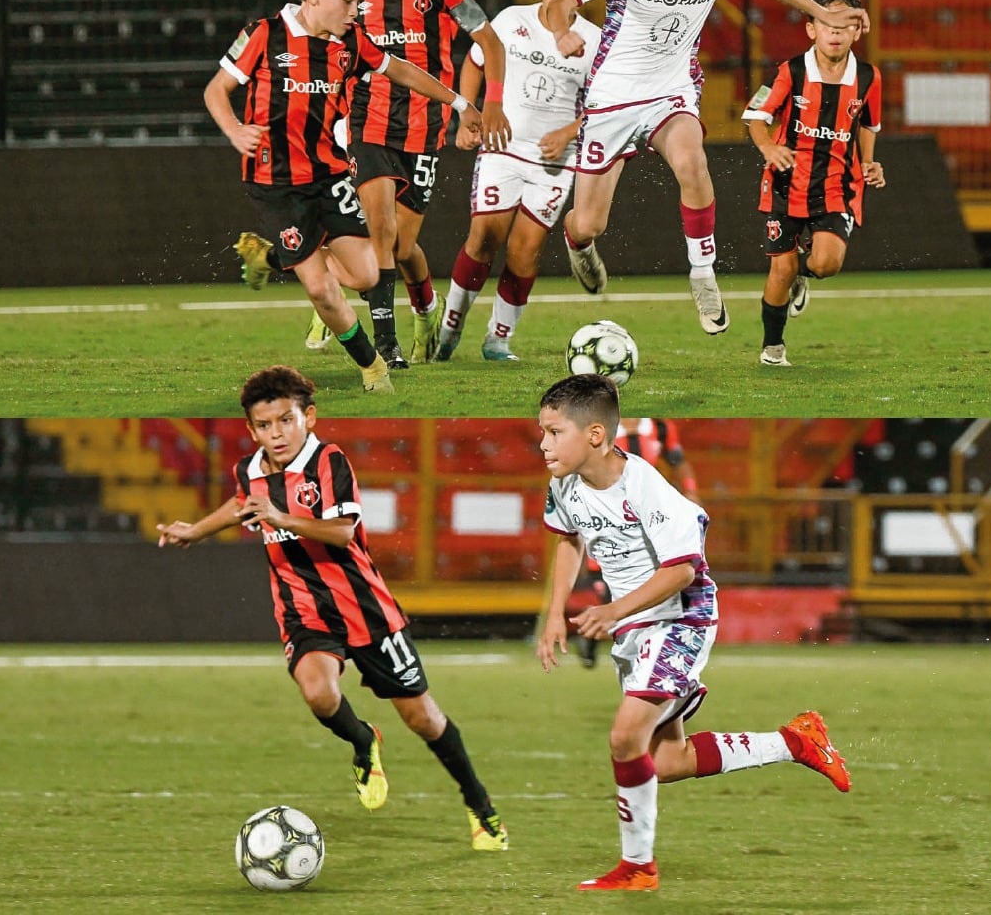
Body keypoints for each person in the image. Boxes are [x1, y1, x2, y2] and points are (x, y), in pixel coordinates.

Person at [156, 365, 508, 852]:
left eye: (286, 420)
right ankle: (364, 742)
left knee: (424, 719)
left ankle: (479, 805)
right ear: (251, 430)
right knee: (319, 694)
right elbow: (241, 503)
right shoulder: (249, 472)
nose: (276, 434)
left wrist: (281, 517)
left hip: (366, 610)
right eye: (264, 425)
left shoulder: (329, 461)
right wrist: (195, 531)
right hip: (303, 609)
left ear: (310, 417)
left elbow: (342, 532)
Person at [536, 373, 849, 892]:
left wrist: (612, 611)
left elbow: (682, 571)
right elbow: (570, 540)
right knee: (663, 761)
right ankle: (794, 742)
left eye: (553, 432)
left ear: (595, 435)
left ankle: (638, 869)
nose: (543, 444)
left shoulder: (645, 486)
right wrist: (554, 614)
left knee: (625, 737)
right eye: (541, 432)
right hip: (636, 624)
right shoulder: (565, 485)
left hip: (680, 616)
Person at [545, 0, 869, 338]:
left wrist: (820, 11)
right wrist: (562, 32)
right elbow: (562, 1)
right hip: (611, 99)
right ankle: (579, 244)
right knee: (589, 223)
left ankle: (702, 272)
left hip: (670, 91)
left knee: (691, 160)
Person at [207, 0, 482, 395]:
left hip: (330, 177)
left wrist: (459, 103)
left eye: (359, 2)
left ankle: (272, 257)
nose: (357, 11)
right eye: (349, 1)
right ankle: (373, 367)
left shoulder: (350, 42)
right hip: (277, 184)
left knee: (367, 276)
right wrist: (235, 130)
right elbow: (215, 90)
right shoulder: (263, 34)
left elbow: (401, 70)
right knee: (320, 289)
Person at [305, 0, 512, 369]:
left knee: (401, 246)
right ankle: (384, 342)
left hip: (424, 124)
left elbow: (491, 43)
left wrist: (491, 103)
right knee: (378, 232)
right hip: (365, 119)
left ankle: (425, 308)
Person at [434, 0, 600, 363]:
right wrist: (468, 117)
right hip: (502, 148)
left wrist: (568, 132)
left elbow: (606, 106)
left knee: (525, 250)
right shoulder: (511, 20)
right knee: (484, 238)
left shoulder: (597, 42)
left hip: (555, 162)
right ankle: (449, 328)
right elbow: (475, 62)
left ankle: (498, 339)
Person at [742, 0, 884, 367]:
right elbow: (755, 116)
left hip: (838, 184)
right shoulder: (789, 71)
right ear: (811, 28)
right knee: (781, 268)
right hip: (786, 181)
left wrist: (869, 162)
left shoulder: (869, 77)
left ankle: (803, 275)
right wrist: (768, 148)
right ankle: (773, 348)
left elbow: (869, 124)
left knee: (826, 264)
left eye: (844, 24)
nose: (834, 32)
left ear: (857, 30)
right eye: (826, 23)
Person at [573, 417, 702, 668]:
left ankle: (658, 649)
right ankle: (592, 633)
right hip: (607, 514)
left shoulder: (660, 427)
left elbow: (678, 462)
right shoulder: (599, 427)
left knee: (660, 579)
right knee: (614, 588)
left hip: (647, 515)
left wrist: (690, 490)